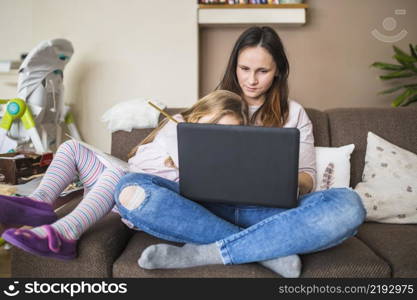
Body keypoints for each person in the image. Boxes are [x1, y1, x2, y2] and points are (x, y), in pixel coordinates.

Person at [113, 26, 366, 278]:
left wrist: (270, 174)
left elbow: (308, 181)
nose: (251, 80)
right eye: (244, 69)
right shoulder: (214, 104)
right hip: (205, 209)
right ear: (234, 66)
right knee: (130, 188)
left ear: (278, 71)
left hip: (269, 213)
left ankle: (207, 252)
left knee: (349, 205)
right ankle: (267, 250)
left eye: (262, 71)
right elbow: (165, 151)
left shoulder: (295, 113)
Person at [0, 90, 248, 260]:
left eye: (226, 135)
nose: (215, 138)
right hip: (110, 189)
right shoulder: (175, 128)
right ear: (197, 115)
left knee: (119, 175)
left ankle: (66, 233)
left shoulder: (216, 164)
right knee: (71, 148)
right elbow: (180, 147)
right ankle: (39, 203)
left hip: (138, 202)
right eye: (212, 127)